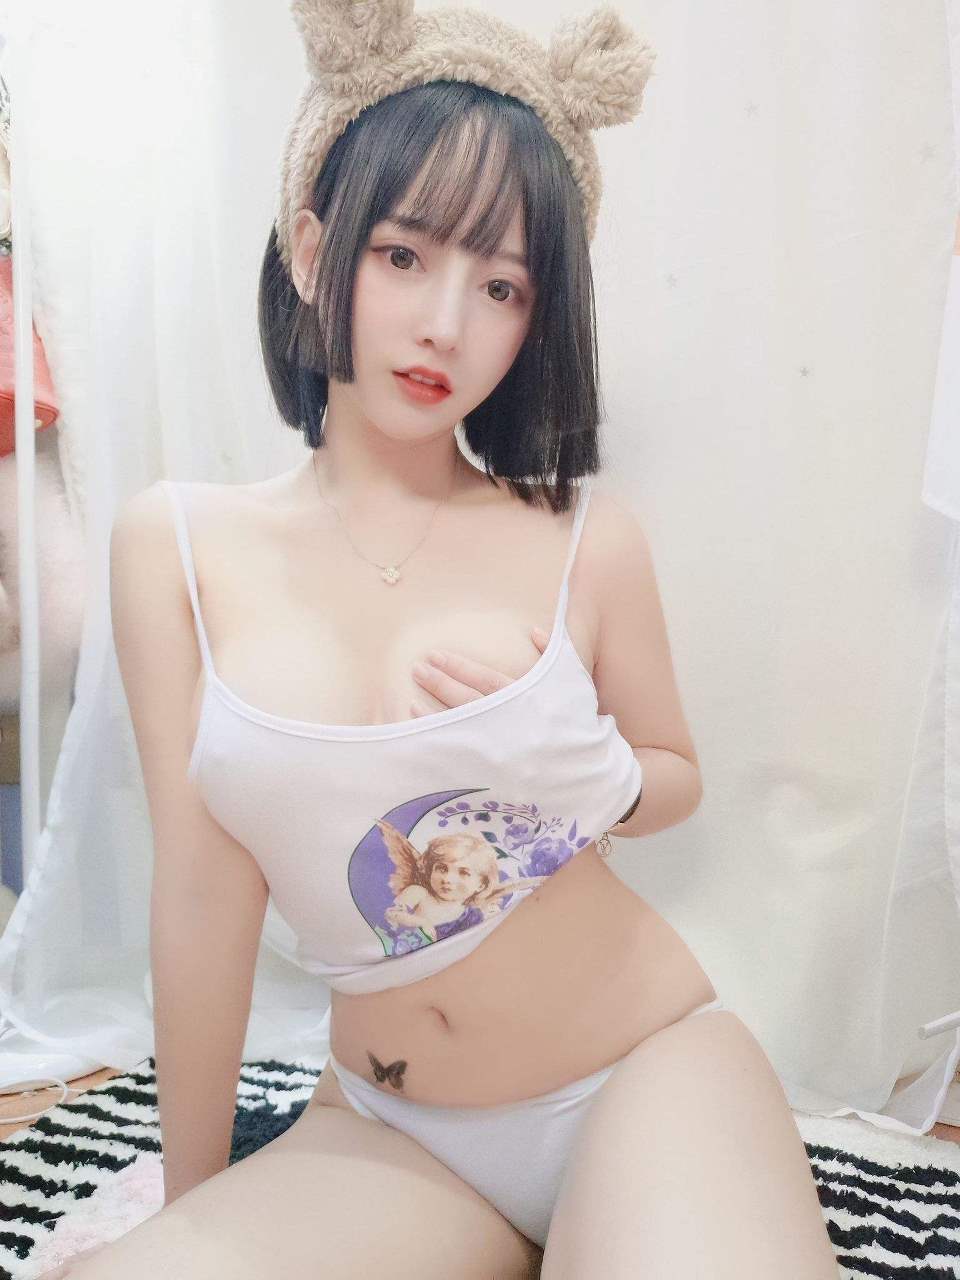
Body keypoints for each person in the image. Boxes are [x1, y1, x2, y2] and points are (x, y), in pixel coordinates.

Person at [50, 2, 839, 1276]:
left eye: (502, 285)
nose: (446, 324)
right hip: (392, 1126)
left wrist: (592, 775)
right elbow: (200, 895)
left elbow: (676, 776)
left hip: (640, 1066)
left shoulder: (586, 536)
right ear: (315, 246)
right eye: (405, 254)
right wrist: (190, 1204)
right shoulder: (177, 547)